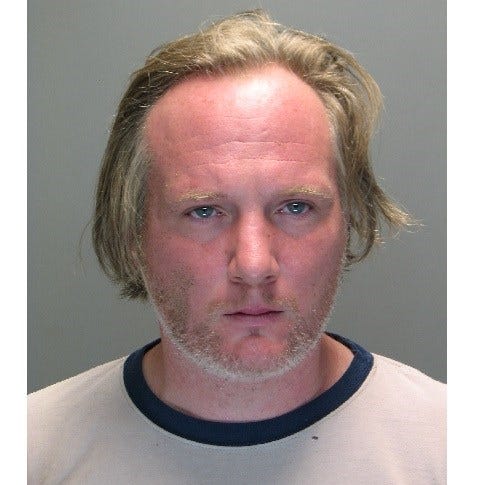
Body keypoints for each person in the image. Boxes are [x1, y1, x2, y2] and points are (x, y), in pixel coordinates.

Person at [28, 10, 446, 484]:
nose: (253, 264)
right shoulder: (31, 451)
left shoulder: (448, 447)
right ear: (132, 232)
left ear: (349, 220)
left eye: (295, 207)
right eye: (204, 211)